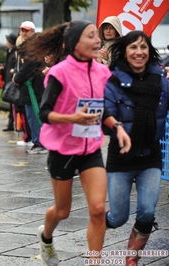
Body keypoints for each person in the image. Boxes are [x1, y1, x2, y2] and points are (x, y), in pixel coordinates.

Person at [35, 21, 131, 265]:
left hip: (91, 147)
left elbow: (104, 106)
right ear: (75, 43)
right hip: (63, 149)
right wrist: (73, 118)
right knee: (62, 212)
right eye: (91, 36)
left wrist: (116, 126)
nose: (97, 41)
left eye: (97, 36)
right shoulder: (59, 72)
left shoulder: (101, 71)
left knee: (98, 209)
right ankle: (46, 236)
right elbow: (44, 113)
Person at [104, 31, 169, 265]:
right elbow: (106, 117)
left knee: (147, 213)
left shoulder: (162, 82)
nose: (139, 52)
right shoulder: (111, 81)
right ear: (125, 51)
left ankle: (131, 259)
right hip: (121, 158)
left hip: (150, 157)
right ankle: (97, 223)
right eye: (133, 47)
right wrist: (118, 128)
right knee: (118, 217)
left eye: (143, 47)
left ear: (150, 51)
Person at [14, 21, 47, 154]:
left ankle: (39, 142)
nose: (24, 32)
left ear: (33, 31)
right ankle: (38, 141)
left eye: (27, 30)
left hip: (33, 86)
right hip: (30, 85)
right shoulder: (28, 45)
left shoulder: (32, 46)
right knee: (32, 114)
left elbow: (28, 65)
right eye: (22, 30)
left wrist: (17, 77)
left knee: (33, 115)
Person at [0, 33, 18, 131]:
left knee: (13, 104)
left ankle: (13, 123)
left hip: (12, 80)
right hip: (8, 79)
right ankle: (11, 124)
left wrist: (13, 70)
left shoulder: (15, 52)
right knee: (10, 104)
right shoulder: (9, 51)